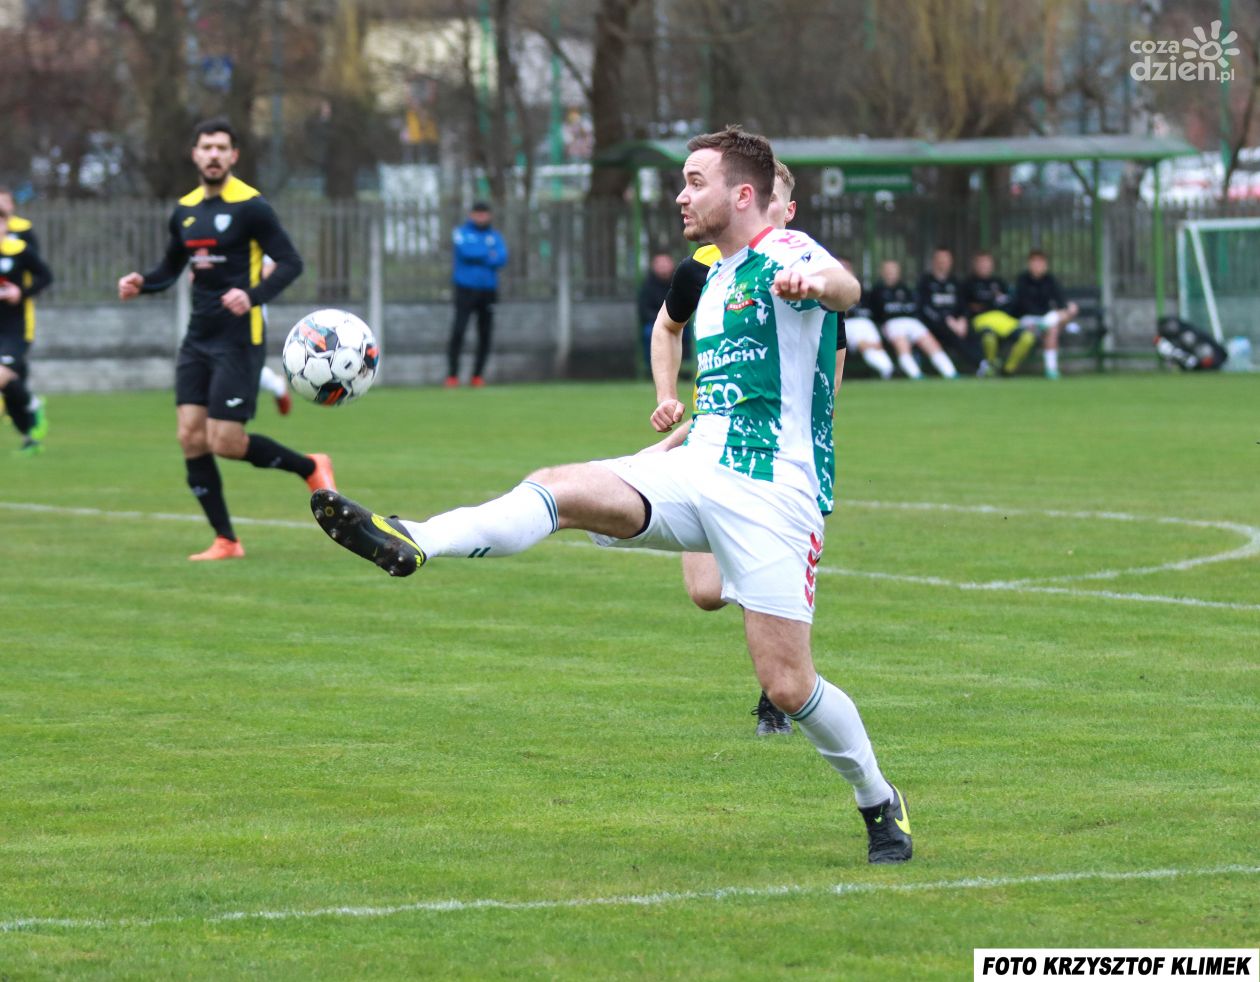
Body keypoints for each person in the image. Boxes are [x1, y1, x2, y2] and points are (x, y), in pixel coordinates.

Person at [311, 126, 912, 864]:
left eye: (695, 182)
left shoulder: (786, 250)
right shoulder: (715, 278)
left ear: (742, 195)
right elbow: (703, 373)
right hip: (695, 468)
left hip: (772, 492)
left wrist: (817, 285)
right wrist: (665, 435)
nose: (680, 195)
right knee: (559, 487)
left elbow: (846, 286)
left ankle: (878, 799)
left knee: (787, 685)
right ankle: (416, 538)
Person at [643, 160, 847, 737]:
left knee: (772, 576)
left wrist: (814, 415)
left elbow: (835, 347)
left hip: (786, 457)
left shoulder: (803, 267)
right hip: (712, 444)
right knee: (706, 593)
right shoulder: (702, 268)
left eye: (776, 201)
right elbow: (666, 327)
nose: (765, 210)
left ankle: (777, 692)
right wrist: (667, 397)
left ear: (787, 209)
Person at [117, 117, 335, 561]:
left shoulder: (251, 206)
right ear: (195, 154)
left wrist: (252, 296)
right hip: (197, 339)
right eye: (206, 147)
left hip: (239, 340)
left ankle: (310, 466)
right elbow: (171, 267)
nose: (213, 155)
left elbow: (291, 262)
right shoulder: (185, 210)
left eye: (221, 148)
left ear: (233, 156)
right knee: (190, 437)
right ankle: (227, 540)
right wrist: (144, 283)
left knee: (226, 442)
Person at [0, 186, 50, 448]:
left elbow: (46, 276)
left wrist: (21, 292)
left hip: (15, 327)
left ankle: (31, 405)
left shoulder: (19, 248)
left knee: (3, 376)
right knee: (10, 386)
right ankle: (29, 432)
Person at [446, 201, 508, 387]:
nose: (481, 217)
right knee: (459, 331)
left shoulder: (495, 235)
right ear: (471, 215)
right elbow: (467, 253)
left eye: (484, 213)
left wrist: (481, 254)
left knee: (485, 334)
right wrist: (488, 253)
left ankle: (477, 376)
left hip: (488, 290)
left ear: (489, 215)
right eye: (478, 213)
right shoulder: (461, 233)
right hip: (465, 289)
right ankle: (452, 375)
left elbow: (502, 258)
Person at [870, 259, 957, 379]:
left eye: (893, 270)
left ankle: (951, 373)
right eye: (888, 270)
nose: (890, 273)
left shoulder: (907, 289)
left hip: (912, 321)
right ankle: (916, 375)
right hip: (892, 323)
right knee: (902, 345)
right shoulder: (876, 291)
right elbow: (875, 315)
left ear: (898, 272)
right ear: (882, 272)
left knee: (930, 342)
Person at [1009, 249, 1079, 380]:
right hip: (1028, 319)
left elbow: (1061, 302)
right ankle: (1051, 368)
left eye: (1040, 262)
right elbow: (1023, 305)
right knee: (1053, 325)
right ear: (1029, 263)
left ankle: (1051, 370)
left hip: (1047, 320)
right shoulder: (1022, 280)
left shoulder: (1050, 280)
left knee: (1060, 320)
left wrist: (1068, 308)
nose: (1038, 265)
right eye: (1035, 262)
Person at [963, 251, 1037, 377]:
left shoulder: (999, 283)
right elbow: (967, 307)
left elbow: (1011, 304)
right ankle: (990, 368)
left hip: (1003, 321)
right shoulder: (968, 284)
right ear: (975, 265)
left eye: (987, 263)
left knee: (1028, 337)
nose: (984, 266)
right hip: (982, 321)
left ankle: (1008, 369)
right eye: (981, 263)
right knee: (989, 338)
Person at [917, 246, 986, 374]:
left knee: (972, 331)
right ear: (934, 261)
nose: (943, 262)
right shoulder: (925, 282)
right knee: (952, 334)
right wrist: (946, 320)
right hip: (936, 325)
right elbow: (924, 308)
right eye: (940, 259)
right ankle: (980, 364)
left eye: (946, 260)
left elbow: (963, 305)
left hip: (956, 323)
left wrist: (963, 319)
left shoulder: (955, 282)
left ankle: (984, 362)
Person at [836, 258, 895, 380]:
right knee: (863, 345)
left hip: (866, 322)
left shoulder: (862, 289)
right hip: (848, 324)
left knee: (877, 345)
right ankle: (885, 370)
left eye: (847, 267)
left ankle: (888, 370)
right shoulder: (832, 288)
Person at [637, 253, 675, 377]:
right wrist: (662, 321)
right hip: (655, 322)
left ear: (672, 265)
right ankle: (651, 370)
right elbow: (644, 310)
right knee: (649, 333)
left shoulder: (679, 281)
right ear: (653, 266)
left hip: (679, 321)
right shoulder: (647, 286)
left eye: (666, 263)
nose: (663, 266)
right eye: (660, 264)